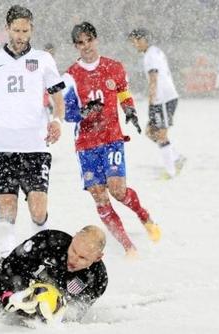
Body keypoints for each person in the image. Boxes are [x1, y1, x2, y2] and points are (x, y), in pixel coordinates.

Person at [0, 5, 65, 257]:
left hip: (34, 143)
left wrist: (57, 121)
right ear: (7, 29)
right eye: (16, 30)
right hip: (0, 144)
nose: (21, 35)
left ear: (31, 29)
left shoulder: (43, 59)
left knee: (38, 208)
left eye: (25, 30)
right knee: (7, 205)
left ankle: (41, 254)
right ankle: (6, 256)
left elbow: (57, 96)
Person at [63, 22, 161, 255]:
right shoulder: (70, 76)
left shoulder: (113, 67)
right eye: (80, 42)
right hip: (86, 144)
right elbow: (68, 114)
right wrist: (85, 112)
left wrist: (130, 110)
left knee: (118, 190)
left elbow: (123, 91)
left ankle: (144, 217)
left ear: (96, 40)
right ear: (75, 46)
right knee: (100, 196)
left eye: (89, 40)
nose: (86, 46)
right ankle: (128, 246)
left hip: (111, 138)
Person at [128, 28, 186, 179]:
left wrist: (152, 103)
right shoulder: (155, 51)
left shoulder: (150, 56)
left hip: (163, 99)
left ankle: (170, 171)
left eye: (136, 41)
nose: (134, 44)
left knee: (160, 134)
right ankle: (176, 158)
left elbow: (154, 79)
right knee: (150, 132)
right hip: (166, 97)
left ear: (144, 40)